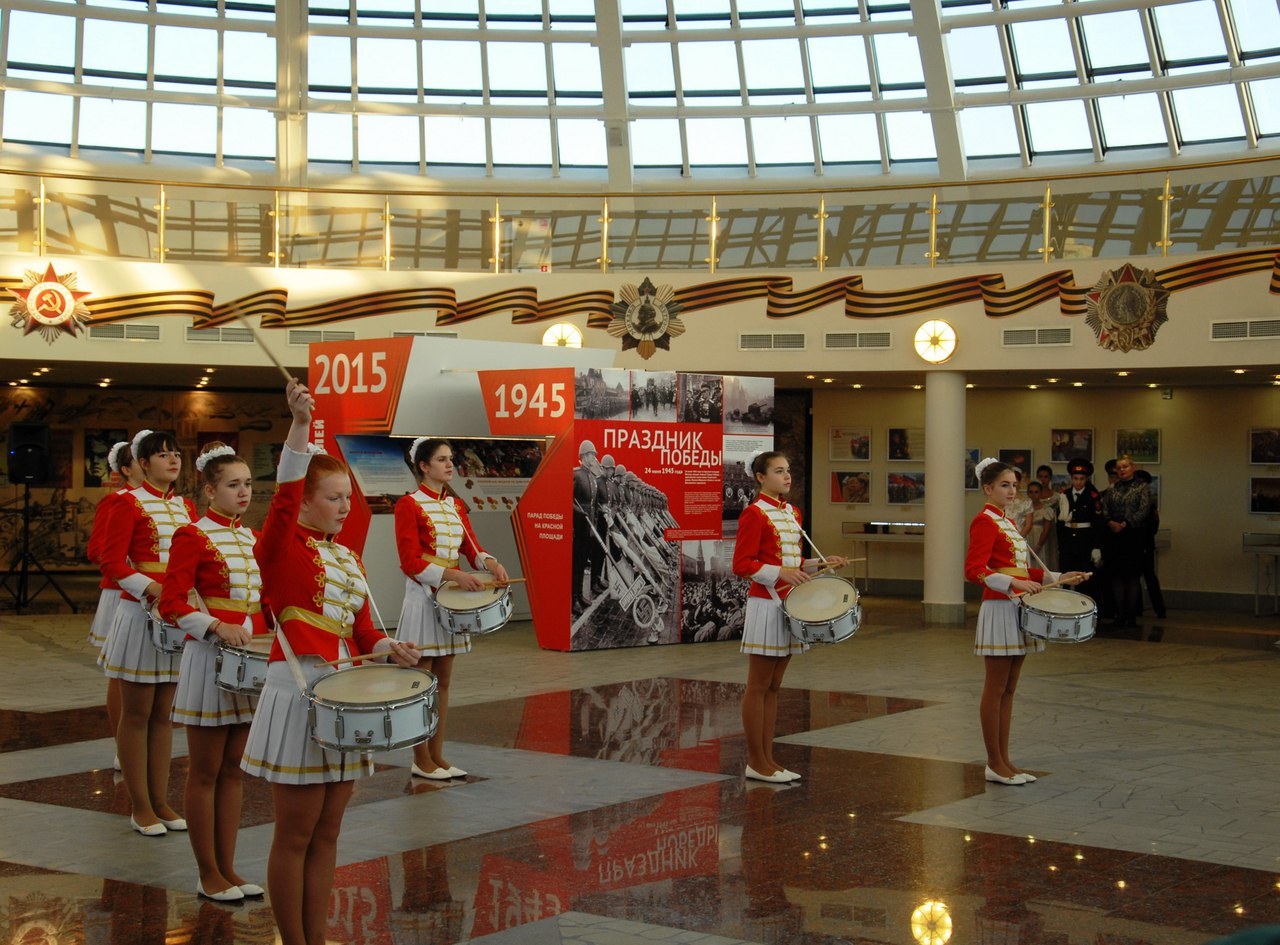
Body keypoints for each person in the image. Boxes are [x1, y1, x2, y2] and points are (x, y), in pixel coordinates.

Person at [241, 379, 419, 945]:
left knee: (328, 832)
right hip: (297, 691)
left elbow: (363, 630)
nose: (345, 507)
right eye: (334, 498)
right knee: (294, 834)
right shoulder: (279, 545)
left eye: (348, 497)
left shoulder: (347, 557)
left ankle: (315, 938)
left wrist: (390, 648)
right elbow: (283, 496)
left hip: (346, 695)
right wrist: (299, 425)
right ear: (306, 500)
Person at [159, 442, 269, 903]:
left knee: (234, 769)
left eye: (248, 484)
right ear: (209, 490)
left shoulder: (254, 538)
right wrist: (214, 626)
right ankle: (207, 873)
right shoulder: (192, 536)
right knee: (204, 771)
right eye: (232, 485)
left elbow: (265, 602)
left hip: (250, 661)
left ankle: (229, 867)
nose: (243, 492)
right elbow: (170, 603)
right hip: (208, 661)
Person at [966, 458, 1088, 785]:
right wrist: (1013, 584)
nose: (1011, 491)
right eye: (1004, 485)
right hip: (999, 608)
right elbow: (974, 569)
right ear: (988, 488)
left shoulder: (1007, 521)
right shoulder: (984, 521)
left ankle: (1005, 761)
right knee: (995, 688)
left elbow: (1022, 569)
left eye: (1014, 485)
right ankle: (994, 762)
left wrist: (1061, 576)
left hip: (1018, 605)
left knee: (1009, 689)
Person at [394, 436, 509, 781]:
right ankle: (420, 758)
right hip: (422, 599)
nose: (450, 465)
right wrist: (453, 575)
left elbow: (471, 548)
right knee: (421, 682)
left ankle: (437, 755)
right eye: (442, 459)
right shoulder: (408, 505)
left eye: (450, 458)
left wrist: (491, 563)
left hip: (450, 603)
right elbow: (409, 561)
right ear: (423, 466)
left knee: (443, 681)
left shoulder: (455, 505)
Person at [98, 429, 195, 835]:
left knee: (163, 715)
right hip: (139, 615)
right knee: (136, 714)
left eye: (176, 454)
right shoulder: (127, 503)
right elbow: (112, 562)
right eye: (162, 455)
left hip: (175, 617)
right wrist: (152, 588)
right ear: (142, 463)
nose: (172, 461)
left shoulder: (186, 506)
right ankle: (140, 807)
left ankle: (161, 801)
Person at [732, 451, 847, 783]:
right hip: (766, 606)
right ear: (760, 477)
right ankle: (756, 761)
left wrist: (822, 563)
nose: (787, 477)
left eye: (788, 470)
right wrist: (780, 572)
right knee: (758, 685)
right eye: (779, 471)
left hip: (790, 604)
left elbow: (792, 565)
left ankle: (768, 759)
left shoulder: (791, 512)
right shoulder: (754, 513)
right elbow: (742, 564)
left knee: (774, 686)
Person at [86, 439, 144, 768]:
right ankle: (123, 747)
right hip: (122, 593)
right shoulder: (116, 501)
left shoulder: (171, 504)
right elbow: (97, 550)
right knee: (120, 674)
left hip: (156, 597)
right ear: (126, 469)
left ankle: (143, 745)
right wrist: (135, 568)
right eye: (140, 458)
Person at [1101, 455, 1152, 629]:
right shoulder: (1113, 488)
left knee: (1131, 576)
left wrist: (1126, 523)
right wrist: (1109, 522)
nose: (1121, 470)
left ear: (1132, 467)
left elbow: (1144, 509)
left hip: (1133, 535)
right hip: (1115, 536)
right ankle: (1119, 614)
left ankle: (1131, 616)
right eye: (1119, 468)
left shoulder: (1142, 487)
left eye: (1125, 467)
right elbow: (1105, 508)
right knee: (1116, 575)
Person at [1055, 460, 1102, 603]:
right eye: (1075, 478)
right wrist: (1060, 543)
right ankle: (1064, 606)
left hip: (1084, 542)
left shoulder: (1093, 496)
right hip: (1068, 542)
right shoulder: (1064, 495)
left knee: (1083, 577)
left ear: (1086, 479)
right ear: (1071, 478)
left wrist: (1096, 546)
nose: (1078, 482)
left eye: (1082, 479)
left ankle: (1083, 606)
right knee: (1065, 576)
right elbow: (1060, 523)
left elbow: (1098, 523)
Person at [1133, 468, 1167, 620]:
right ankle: (1136, 608)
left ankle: (1159, 609)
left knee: (1149, 577)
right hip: (1134, 545)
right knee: (1134, 578)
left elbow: (1153, 526)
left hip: (1145, 544)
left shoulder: (1149, 504)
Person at [1026, 481, 1056, 563]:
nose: (1033, 495)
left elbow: (1046, 530)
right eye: (1031, 492)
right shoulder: (1024, 508)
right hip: (1027, 538)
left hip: (1039, 539)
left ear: (1041, 493)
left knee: (1039, 562)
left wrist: (1038, 546)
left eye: (1036, 492)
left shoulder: (1046, 509)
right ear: (1027, 493)